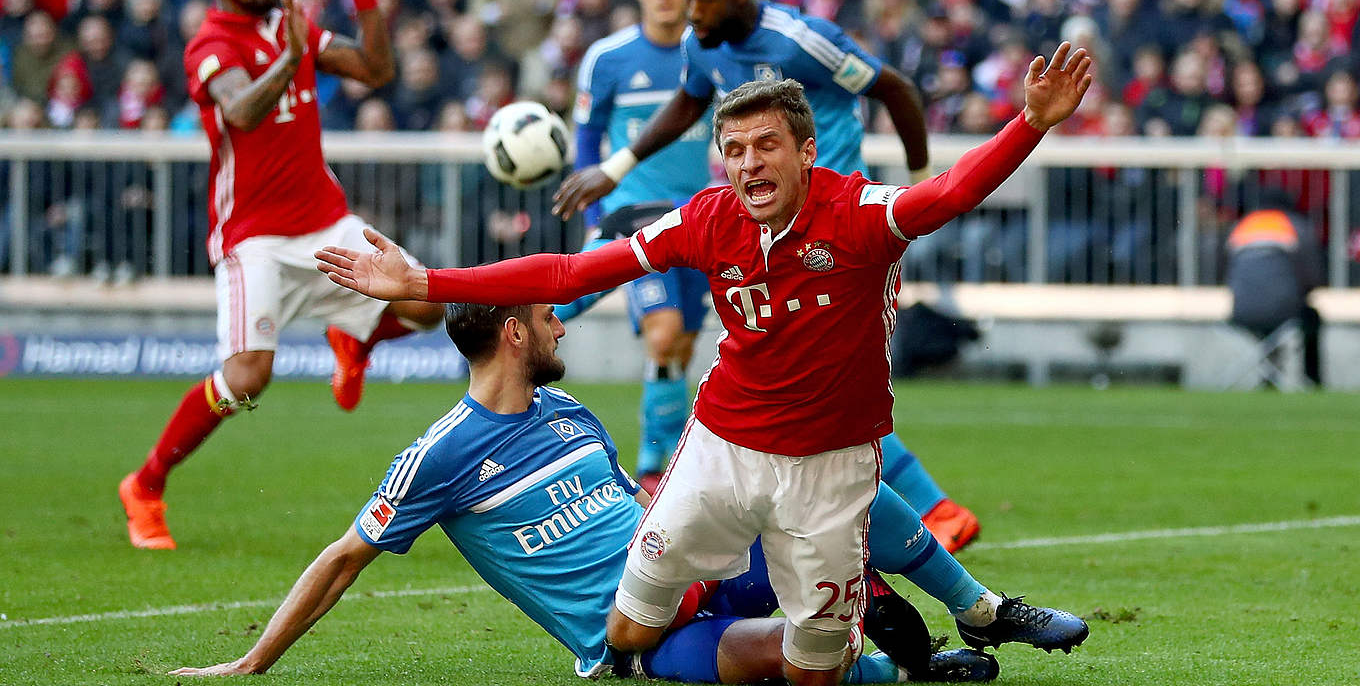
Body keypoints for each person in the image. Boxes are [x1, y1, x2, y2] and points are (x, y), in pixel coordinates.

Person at [316, 42, 1095, 684]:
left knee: (812, 674)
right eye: (733, 151)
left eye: (766, 146)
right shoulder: (705, 218)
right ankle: (918, 625)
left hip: (831, 464)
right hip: (722, 454)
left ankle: (934, 626)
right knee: (625, 630)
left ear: (806, 151)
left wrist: (1029, 123)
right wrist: (424, 283)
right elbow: (570, 273)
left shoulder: (859, 216)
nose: (749, 164)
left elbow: (951, 193)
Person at [167, 301, 1000, 683]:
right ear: (515, 332)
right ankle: (900, 668)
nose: (565, 323)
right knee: (775, 655)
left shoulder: (568, 411)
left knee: (836, 484)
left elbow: (641, 509)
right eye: (549, 315)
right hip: (632, 641)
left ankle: (968, 608)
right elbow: (345, 557)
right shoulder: (440, 456)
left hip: (696, 568)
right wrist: (249, 663)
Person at [556, 0, 980, 553]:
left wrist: (921, 192)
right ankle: (930, 513)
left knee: (820, 381)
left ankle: (928, 515)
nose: (692, 13)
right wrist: (615, 168)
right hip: (772, 230)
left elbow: (897, 90)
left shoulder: (802, 40)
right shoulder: (703, 45)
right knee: (808, 381)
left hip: (838, 226)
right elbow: (686, 101)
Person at [116, 0, 444, 551]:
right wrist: (293, 59)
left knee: (425, 305)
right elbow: (239, 111)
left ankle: (355, 336)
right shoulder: (210, 45)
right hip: (255, 236)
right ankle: (146, 484)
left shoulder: (289, 25)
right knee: (247, 376)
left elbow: (376, 68)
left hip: (324, 219)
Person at [569, 0, 715, 494]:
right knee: (663, 334)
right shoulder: (607, 58)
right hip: (634, 220)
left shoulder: (703, 55)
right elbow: (586, 137)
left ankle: (667, 456)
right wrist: (597, 213)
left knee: (679, 349)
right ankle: (655, 470)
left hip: (697, 220)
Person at [1226, 189, 1324, 386]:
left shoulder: (1242, 226)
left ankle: (1268, 378)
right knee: (1312, 318)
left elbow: (1226, 271)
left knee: (1268, 332)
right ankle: (1312, 380)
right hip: (1284, 311)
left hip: (1240, 312)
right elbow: (1313, 276)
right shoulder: (1295, 226)